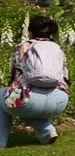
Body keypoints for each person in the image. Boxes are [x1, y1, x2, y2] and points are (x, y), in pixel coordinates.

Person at [0, 16, 69, 148]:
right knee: (20, 105)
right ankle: (46, 131)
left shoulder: (23, 46)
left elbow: (15, 76)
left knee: (8, 99)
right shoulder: (58, 48)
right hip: (59, 101)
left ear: (30, 32)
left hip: (30, 100)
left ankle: (1, 142)